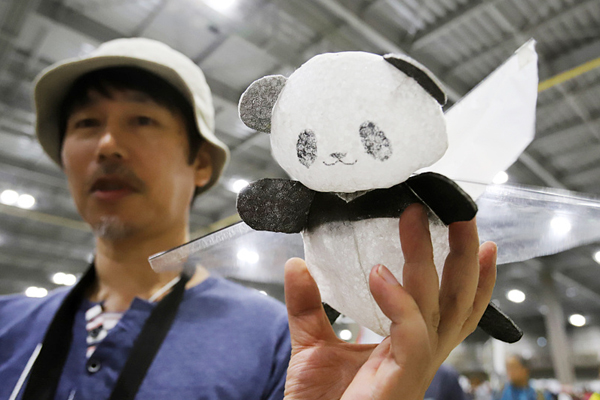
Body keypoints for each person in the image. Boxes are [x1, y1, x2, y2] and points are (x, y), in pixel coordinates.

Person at [0, 37, 498, 399]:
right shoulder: (7, 324)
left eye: (142, 119)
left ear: (200, 162)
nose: (107, 145)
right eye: (86, 123)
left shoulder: (283, 341)